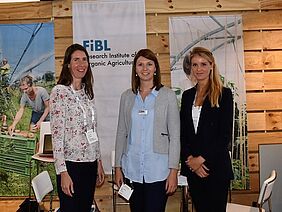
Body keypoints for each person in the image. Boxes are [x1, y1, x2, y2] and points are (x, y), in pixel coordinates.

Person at [115, 48, 180, 212]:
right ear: (135, 70)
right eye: (140, 64)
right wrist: (117, 167)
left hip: (159, 171)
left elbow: (175, 136)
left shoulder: (168, 95)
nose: (145, 68)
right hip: (132, 170)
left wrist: (173, 171)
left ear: (155, 68)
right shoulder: (127, 97)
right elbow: (121, 133)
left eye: (149, 64)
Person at [50, 43, 105, 212]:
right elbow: (57, 136)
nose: (81, 64)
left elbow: (93, 130)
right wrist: (63, 173)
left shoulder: (87, 93)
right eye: (76, 60)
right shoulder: (60, 92)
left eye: (84, 60)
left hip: (90, 164)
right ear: (68, 64)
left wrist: (99, 162)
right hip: (71, 166)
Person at [180, 47, 234, 212]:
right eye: (195, 65)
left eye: (203, 64)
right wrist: (191, 161)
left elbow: (224, 136)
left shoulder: (224, 94)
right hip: (194, 171)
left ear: (211, 66)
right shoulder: (187, 96)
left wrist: (200, 160)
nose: (199, 69)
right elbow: (183, 133)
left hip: (216, 168)